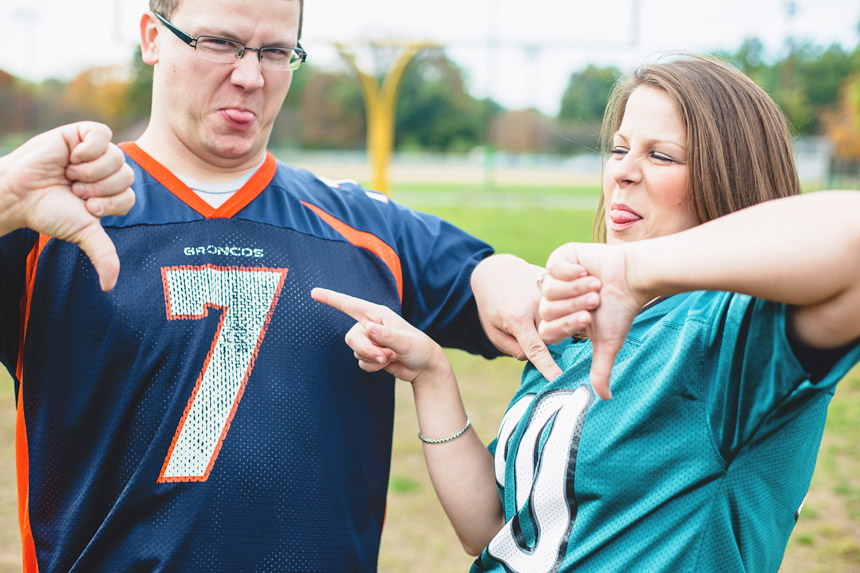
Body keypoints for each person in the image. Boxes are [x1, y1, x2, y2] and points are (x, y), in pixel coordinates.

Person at [0, 0, 559, 570]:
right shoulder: (46, 217)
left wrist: (501, 271)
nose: (250, 76)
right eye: (220, 42)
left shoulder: (365, 229)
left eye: (274, 51)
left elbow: (483, 279)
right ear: (152, 38)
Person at [313, 55, 860, 572]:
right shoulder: (588, 321)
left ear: (728, 175)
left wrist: (634, 270)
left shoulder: (734, 335)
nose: (622, 172)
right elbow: (495, 531)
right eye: (619, 149)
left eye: (661, 156)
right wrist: (431, 375)